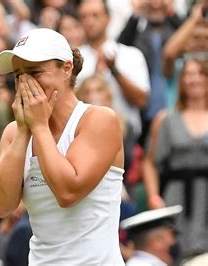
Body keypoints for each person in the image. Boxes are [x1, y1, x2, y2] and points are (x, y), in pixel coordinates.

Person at [0, 28, 125, 264]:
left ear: (66, 69)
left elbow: (68, 192)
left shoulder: (99, 120)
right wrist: (24, 132)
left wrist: (38, 127)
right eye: (18, 76)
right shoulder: (14, 133)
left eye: (35, 72)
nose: (25, 83)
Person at [142, 59, 208, 256]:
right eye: (188, 74)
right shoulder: (167, 119)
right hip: (177, 195)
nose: (193, 79)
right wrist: (154, 196)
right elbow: (150, 162)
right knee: (177, 251)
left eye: (199, 73)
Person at [77, 0, 151, 140]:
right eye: (84, 16)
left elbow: (142, 100)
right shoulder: (73, 58)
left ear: (108, 18)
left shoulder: (130, 54)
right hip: (82, 135)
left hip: (126, 136)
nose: (89, 21)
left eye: (95, 15)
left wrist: (114, 70)